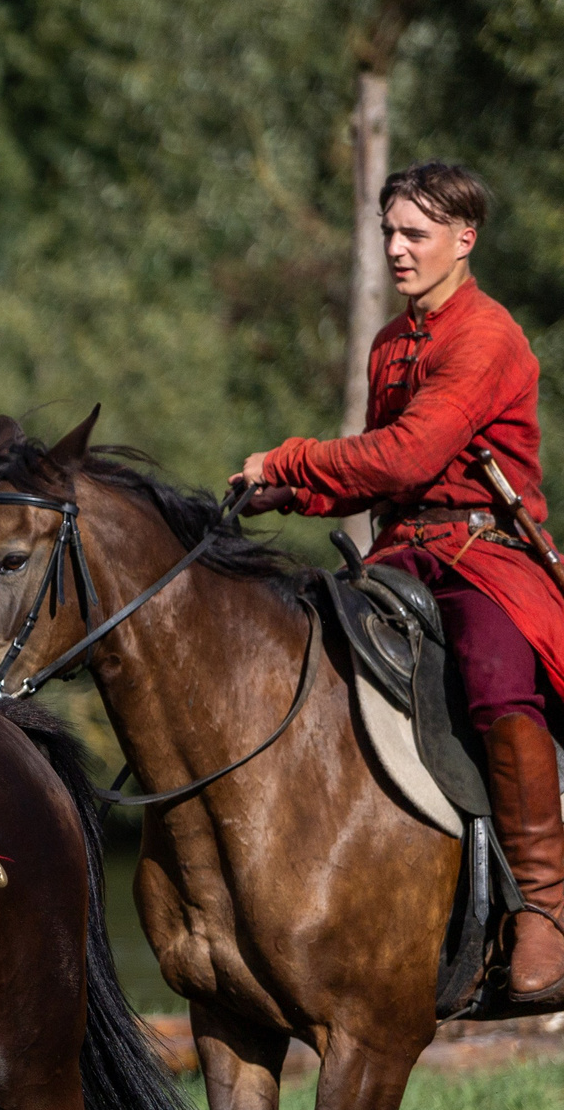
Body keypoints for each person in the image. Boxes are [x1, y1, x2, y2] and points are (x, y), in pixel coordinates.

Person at [236, 160, 564, 1003]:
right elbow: (380, 476)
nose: (396, 248)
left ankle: (547, 910)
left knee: (496, 682)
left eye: (414, 233)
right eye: (389, 231)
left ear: (466, 239)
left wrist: (291, 454)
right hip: (399, 555)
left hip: (483, 560)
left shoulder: (487, 335)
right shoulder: (393, 343)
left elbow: (410, 454)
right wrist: (289, 492)